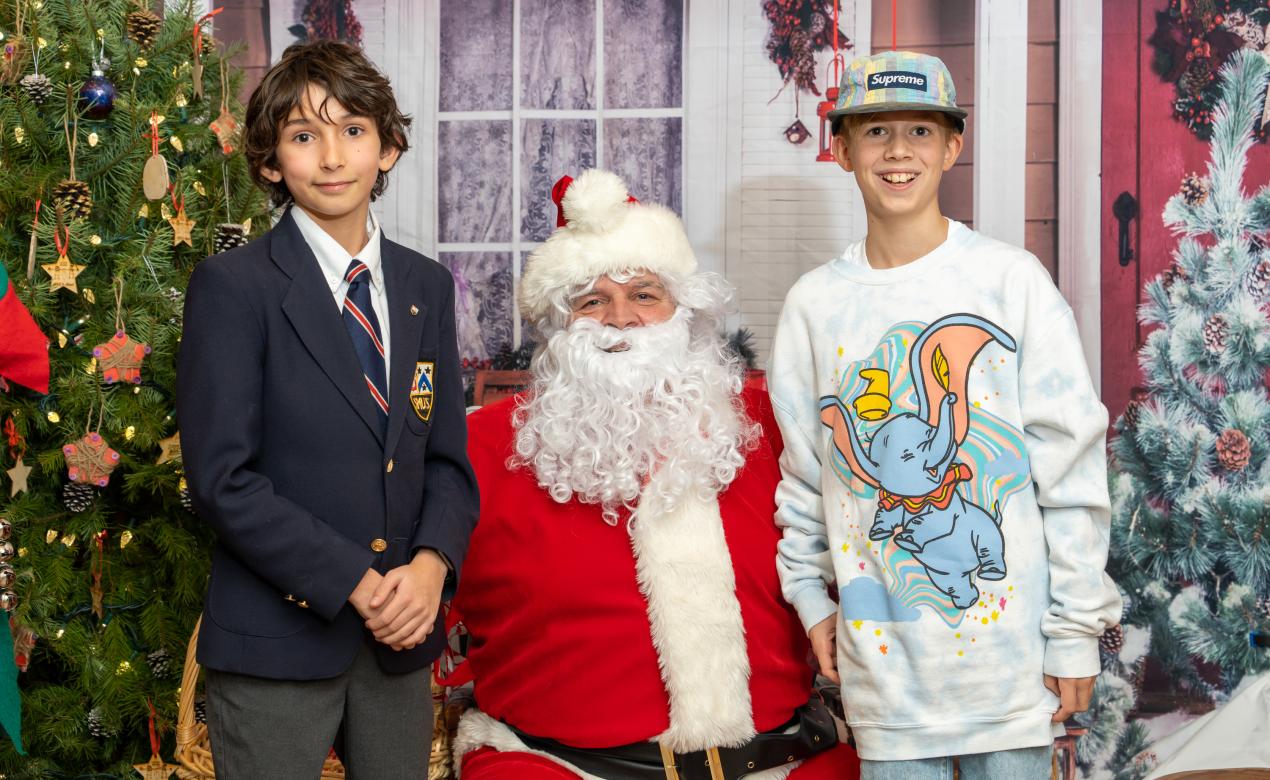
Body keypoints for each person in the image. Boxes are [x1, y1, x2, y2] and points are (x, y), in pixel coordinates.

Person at [768, 51, 1122, 779]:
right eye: (875, 133)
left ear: (952, 146)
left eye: (921, 132)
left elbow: (1072, 466)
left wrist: (1076, 632)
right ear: (841, 150)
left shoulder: (1009, 281)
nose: (898, 151)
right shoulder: (814, 305)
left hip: (1013, 675)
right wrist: (808, 598)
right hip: (887, 682)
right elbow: (806, 476)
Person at [451, 169, 860, 780]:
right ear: (559, 326)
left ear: (683, 311)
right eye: (592, 301)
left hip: (783, 761)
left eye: (645, 294)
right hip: (562, 768)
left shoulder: (766, 423)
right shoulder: (483, 444)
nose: (621, 319)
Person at [177, 40, 478, 778]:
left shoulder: (426, 286)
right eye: (304, 136)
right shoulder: (233, 287)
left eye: (353, 130)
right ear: (272, 162)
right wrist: (353, 580)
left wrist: (433, 568)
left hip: (398, 646)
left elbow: (445, 459)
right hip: (276, 647)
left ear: (388, 148)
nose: (333, 156)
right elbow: (222, 478)